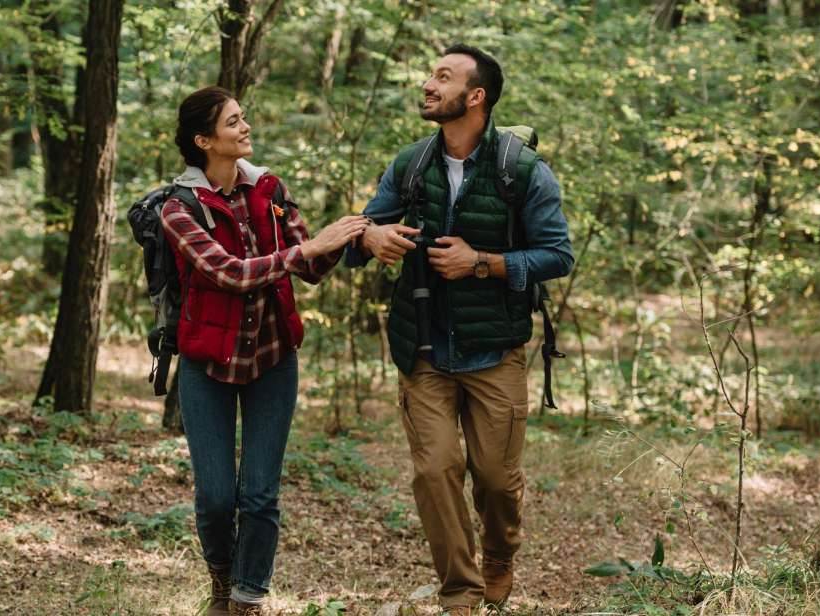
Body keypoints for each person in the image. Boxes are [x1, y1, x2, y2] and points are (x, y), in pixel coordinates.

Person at [348, 45, 574, 614]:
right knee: (434, 469)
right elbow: (357, 233)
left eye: (442, 78)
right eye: (430, 74)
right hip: (422, 347)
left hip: (494, 349)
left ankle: (500, 556)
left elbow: (557, 255)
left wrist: (484, 261)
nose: (428, 84)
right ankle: (460, 594)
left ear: (475, 97)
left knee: (496, 481)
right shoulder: (411, 164)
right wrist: (369, 238)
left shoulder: (521, 170)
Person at [162, 86, 369, 616]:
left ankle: (247, 599)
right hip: (207, 364)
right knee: (215, 497)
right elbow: (229, 274)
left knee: (259, 494)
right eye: (234, 123)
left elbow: (312, 267)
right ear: (204, 140)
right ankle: (221, 580)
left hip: (273, 359)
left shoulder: (270, 189)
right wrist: (308, 247)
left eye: (244, 118)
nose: (245, 127)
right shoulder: (177, 208)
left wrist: (351, 235)